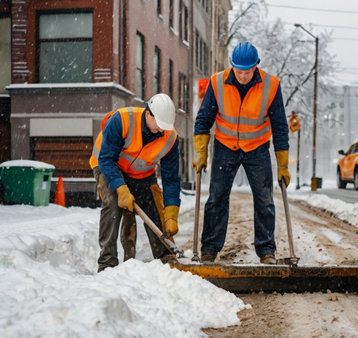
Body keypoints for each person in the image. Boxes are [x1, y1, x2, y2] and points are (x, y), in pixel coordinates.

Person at [192, 41, 290, 265]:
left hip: (257, 148)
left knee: (264, 199)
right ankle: (209, 249)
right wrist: (201, 153)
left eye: (247, 71)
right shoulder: (217, 83)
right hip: (225, 146)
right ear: (232, 66)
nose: (243, 76)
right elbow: (203, 120)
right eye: (238, 71)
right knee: (217, 197)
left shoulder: (271, 86)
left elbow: (280, 126)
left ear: (256, 66)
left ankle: (266, 251)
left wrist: (283, 164)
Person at [90, 93, 181, 272]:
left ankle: (165, 256)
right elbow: (106, 159)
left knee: (155, 208)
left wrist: (171, 211)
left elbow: (171, 178)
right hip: (108, 167)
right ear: (148, 114)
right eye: (159, 125)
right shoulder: (122, 120)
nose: (162, 130)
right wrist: (121, 188)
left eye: (165, 126)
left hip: (142, 174)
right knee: (113, 205)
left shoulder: (170, 137)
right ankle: (107, 262)